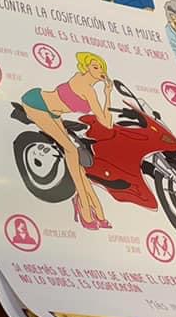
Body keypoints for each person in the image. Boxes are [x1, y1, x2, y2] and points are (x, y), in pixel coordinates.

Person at [20, 52, 114, 231]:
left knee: (79, 166)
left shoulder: (92, 91)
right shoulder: (83, 84)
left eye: (102, 68)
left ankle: (99, 213)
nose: (99, 70)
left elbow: (107, 123)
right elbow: (104, 120)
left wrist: (108, 94)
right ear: (86, 68)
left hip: (54, 114)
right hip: (36, 102)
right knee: (71, 150)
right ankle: (85, 210)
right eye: (95, 67)